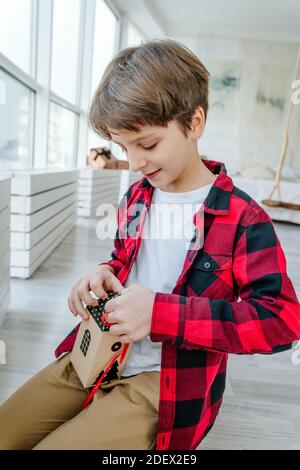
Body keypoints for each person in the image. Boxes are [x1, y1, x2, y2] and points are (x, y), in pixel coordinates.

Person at [0, 39, 300, 451]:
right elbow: (127, 260)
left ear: (194, 123)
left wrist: (161, 315)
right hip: (99, 352)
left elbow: (281, 323)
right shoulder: (137, 198)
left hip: (165, 382)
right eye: (125, 147)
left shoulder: (244, 219)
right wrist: (103, 274)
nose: (136, 162)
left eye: (147, 144)